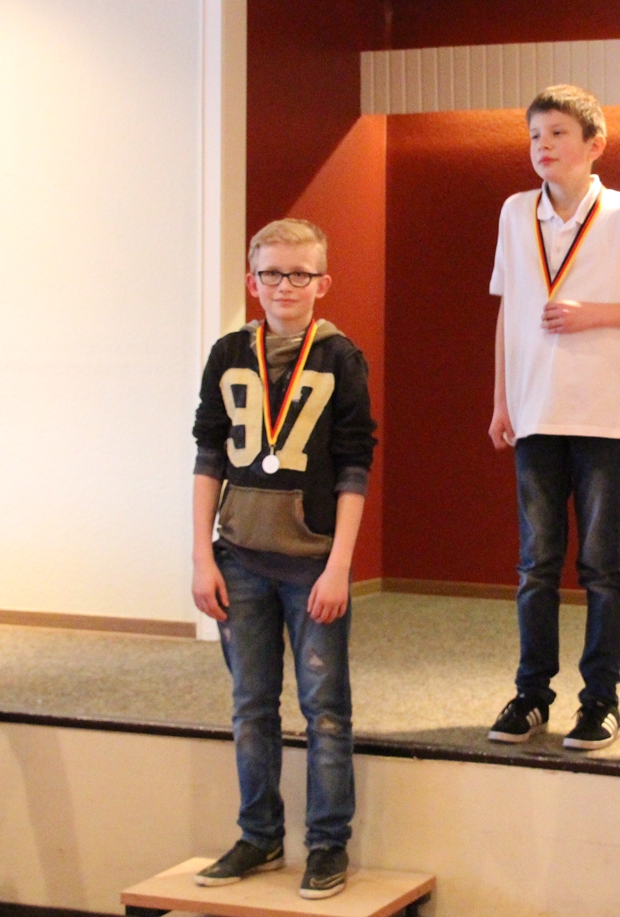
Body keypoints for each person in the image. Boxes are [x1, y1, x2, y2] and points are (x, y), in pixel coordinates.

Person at [487, 84, 620, 751]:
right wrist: (502, 399)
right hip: (534, 412)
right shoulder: (516, 212)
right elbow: (509, 310)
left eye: (557, 134)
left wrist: (593, 314)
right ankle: (531, 695)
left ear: (595, 144)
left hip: (603, 415)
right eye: (534, 135)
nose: (542, 146)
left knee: (601, 564)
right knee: (535, 564)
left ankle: (600, 700)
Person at [189, 218, 376, 900]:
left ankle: (327, 842)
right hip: (240, 558)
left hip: (313, 563)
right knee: (250, 704)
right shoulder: (227, 354)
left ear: (322, 283)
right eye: (272, 273)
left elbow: (355, 464)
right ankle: (259, 834)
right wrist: (201, 556)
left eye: (300, 274)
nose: (285, 286)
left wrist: (340, 565)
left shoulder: (340, 357)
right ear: (252, 281)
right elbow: (208, 455)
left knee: (325, 708)